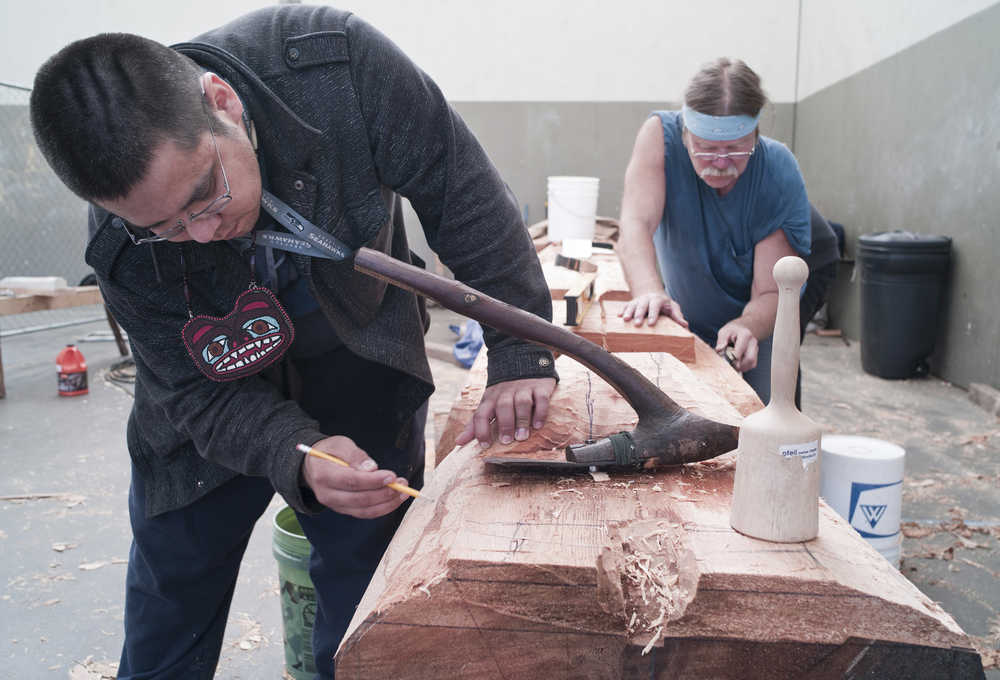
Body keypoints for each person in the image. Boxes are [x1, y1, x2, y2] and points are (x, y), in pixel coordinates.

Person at [29, 6, 557, 678]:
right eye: (163, 226)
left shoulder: (336, 64)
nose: (199, 233)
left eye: (206, 195)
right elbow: (191, 390)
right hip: (214, 401)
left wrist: (520, 351)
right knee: (171, 603)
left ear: (221, 102)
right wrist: (296, 452)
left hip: (357, 356)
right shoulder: (121, 246)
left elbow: (462, 193)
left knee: (365, 612)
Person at [617, 57, 839, 404]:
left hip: (776, 290)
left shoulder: (777, 170)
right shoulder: (660, 137)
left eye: (736, 148)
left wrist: (748, 326)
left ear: (755, 133)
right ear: (685, 133)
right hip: (701, 284)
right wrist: (648, 289)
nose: (720, 163)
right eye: (706, 148)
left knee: (767, 397)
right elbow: (635, 223)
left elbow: (770, 291)